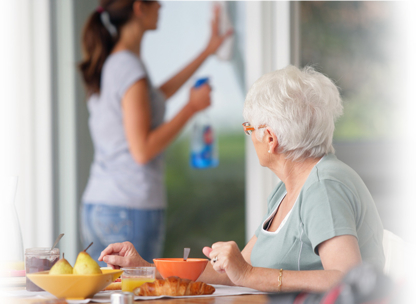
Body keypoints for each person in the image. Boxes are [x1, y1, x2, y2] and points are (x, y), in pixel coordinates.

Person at [98, 66, 385, 292]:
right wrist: (145, 268)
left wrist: (248, 274)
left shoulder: (324, 187)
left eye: (249, 128)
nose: (248, 136)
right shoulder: (287, 190)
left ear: (270, 138)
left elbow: (348, 278)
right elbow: (237, 272)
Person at [78, 0, 232, 266]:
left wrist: (207, 51)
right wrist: (191, 107)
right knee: (137, 292)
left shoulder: (116, 62)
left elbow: (155, 98)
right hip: (129, 206)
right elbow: (142, 150)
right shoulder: (129, 68)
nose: (161, 7)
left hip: (101, 205)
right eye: (156, 2)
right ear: (140, 7)